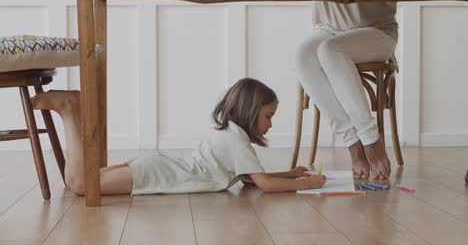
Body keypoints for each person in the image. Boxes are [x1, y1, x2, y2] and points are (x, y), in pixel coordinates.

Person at [31, 78, 326, 196]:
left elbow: (252, 178)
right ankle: (70, 109)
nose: (271, 124)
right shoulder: (238, 141)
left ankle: (69, 110)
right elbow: (264, 185)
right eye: (268, 116)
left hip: (157, 166)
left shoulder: (230, 134)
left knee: (78, 183)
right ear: (250, 112)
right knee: (83, 186)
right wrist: (309, 183)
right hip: (157, 173)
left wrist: (290, 173)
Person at [294, 0, 398, 179]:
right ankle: (353, 143)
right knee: (303, 54)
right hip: (327, 29)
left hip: (377, 30)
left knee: (330, 49)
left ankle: (371, 141)